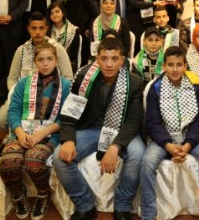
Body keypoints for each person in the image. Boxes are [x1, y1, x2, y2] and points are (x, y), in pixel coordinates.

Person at [53, 38, 145, 220]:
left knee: (138, 154)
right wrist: (69, 139)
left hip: (122, 130)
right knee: (59, 157)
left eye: (114, 59)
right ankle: (85, 205)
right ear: (97, 59)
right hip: (92, 129)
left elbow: (134, 121)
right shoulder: (84, 78)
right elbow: (70, 111)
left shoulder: (134, 83)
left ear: (122, 60)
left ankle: (122, 206)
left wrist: (115, 146)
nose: (109, 64)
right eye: (104, 58)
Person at [141, 46, 199, 220]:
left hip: (192, 136)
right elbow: (152, 123)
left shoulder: (196, 86)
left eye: (179, 65)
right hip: (164, 137)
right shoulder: (155, 87)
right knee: (147, 162)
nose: (174, 69)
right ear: (164, 66)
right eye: (170, 65)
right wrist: (168, 145)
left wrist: (188, 144)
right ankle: (148, 214)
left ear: (185, 66)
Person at [0, 42, 71, 220]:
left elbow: (66, 118)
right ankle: (18, 195)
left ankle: (42, 194)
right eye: (40, 59)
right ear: (35, 62)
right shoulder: (24, 83)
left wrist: (41, 133)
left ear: (56, 60)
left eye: (49, 59)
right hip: (22, 133)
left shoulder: (66, 85)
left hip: (49, 135)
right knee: (8, 163)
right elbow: (13, 111)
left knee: (34, 161)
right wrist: (20, 133)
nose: (45, 63)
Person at [0, 12, 74, 131]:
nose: (37, 32)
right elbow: (12, 78)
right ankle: (18, 134)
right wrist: (19, 94)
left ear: (47, 28)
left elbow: (68, 77)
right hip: (23, 94)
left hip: (51, 95)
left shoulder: (57, 48)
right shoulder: (21, 50)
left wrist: (53, 95)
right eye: (34, 28)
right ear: (28, 29)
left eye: (41, 28)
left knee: (46, 121)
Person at [48, 2, 83, 74]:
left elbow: (75, 55)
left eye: (57, 12)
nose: (54, 15)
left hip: (68, 66)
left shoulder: (73, 30)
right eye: (52, 13)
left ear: (63, 13)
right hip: (50, 66)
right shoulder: (48, 31)